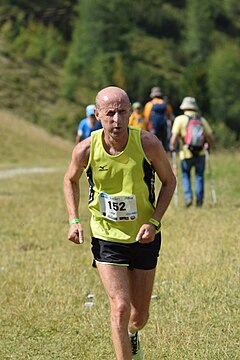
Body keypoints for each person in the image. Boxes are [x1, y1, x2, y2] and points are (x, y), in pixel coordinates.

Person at [64, 86, 176, 360]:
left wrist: (154, 221)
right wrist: (74, 219)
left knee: (138, 316)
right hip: (106, 235)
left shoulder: (148, 144)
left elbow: (169, 181)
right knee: (120, 307)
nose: (116, 120)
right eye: (110, 113)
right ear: (97, 114)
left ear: (130, 113)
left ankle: (132, 336)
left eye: (122, 112)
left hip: (143, 235)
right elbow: (70, 179)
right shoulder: (85, 149)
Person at [170, 96, 214, 207]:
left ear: (184, 107)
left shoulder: (179, 119)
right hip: (201, 153)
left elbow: (174, 138)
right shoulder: (201, 120)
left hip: (185, 153)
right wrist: (209, 145)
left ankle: (188, 198)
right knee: (199, 176)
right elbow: (210, 137)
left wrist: (172, 147)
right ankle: (199, 200)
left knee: (186, 175)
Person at [143, 86, 172, 152]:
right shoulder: (165, 104)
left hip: (153, 128)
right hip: (163, 127)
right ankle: (166, 159)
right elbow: (169, 115)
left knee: (153, 145)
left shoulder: (149, 104)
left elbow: (147, 118)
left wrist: (146, 128)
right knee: (165, 145)